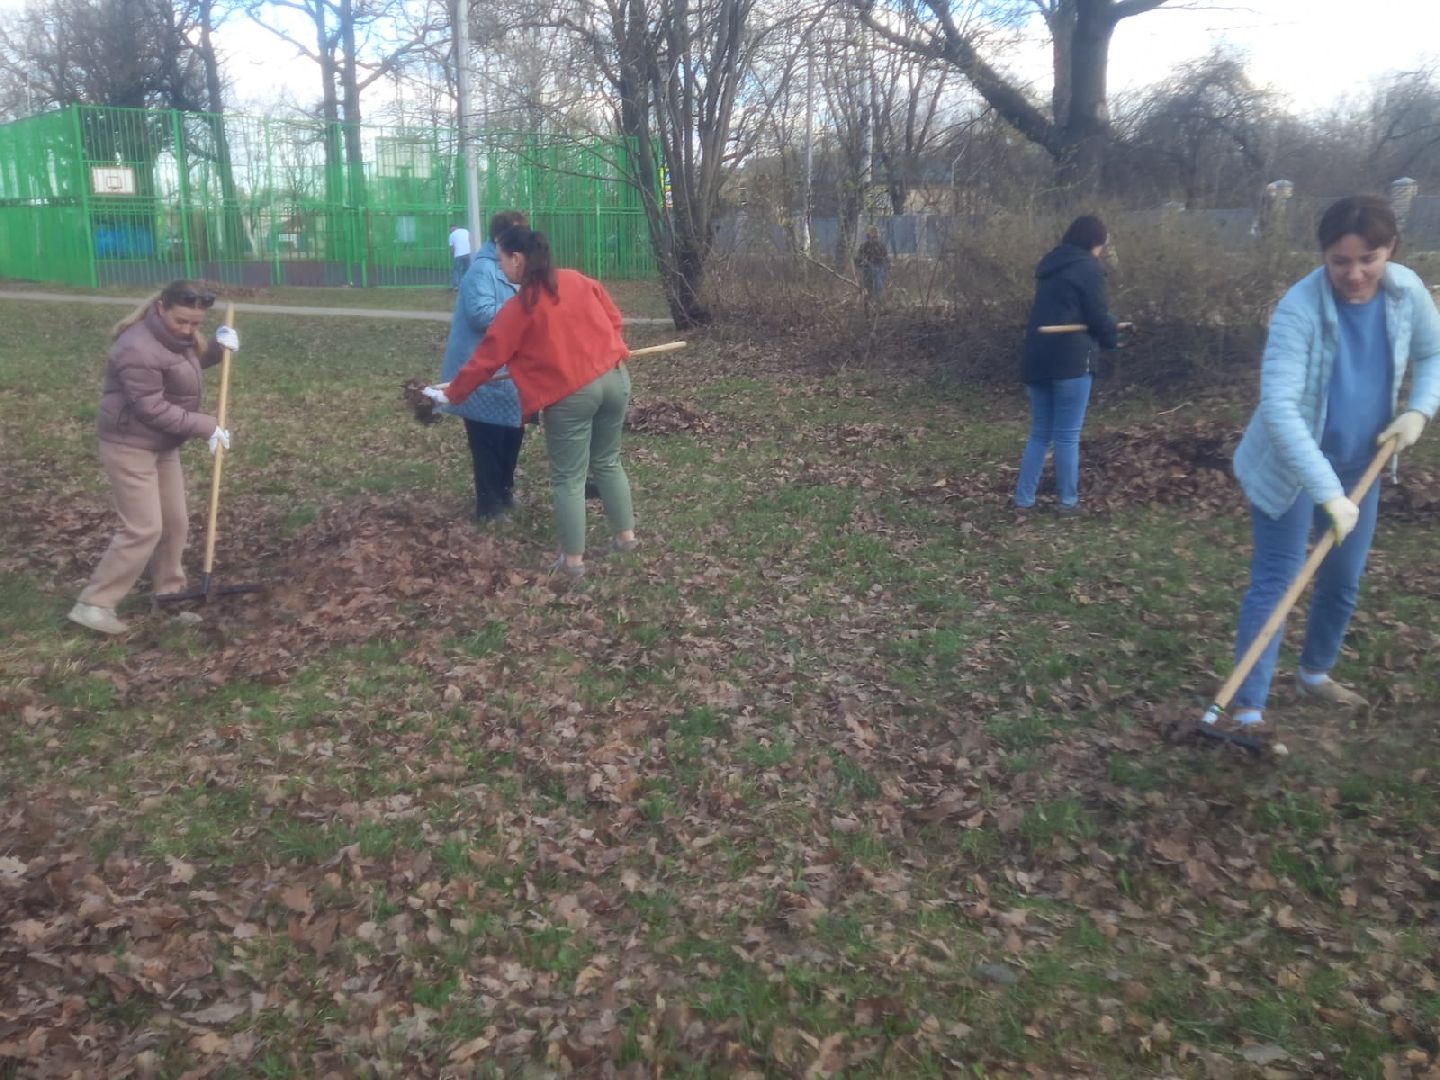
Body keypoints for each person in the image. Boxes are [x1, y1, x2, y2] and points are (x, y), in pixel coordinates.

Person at [1211, 194, 1440, 739]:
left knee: (1341, 579)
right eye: (1341, 262)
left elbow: (1433, 354)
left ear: (1390, 250)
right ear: (1323, 257)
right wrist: (1328, 494)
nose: (1356, 274)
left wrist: (1418, 410)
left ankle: (1314, 673)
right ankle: (1247, 709)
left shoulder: (1407, 291)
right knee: (1277, 579)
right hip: (1291, 467)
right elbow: (1280, 406)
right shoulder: (1300, 309)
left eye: (1369, 259)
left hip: (1364, 463)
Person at [427, 228, 637, 578]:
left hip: (572, 395)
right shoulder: (579, 280)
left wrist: (451, 394)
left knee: (568, 478)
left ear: (517, 259)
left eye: (500, 260)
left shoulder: (519, 307)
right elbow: (614, 319)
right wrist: (614, 346)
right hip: (615, 379)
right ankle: (626, 538)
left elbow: (486, 360)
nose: (499, 267)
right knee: (608, 461)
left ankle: (572, 562)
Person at [67, 281, 240, 636]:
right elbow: (151, 407)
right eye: (182, 322)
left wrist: (218, 351)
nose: (190, 330)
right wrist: (205, 425)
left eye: (196, 324)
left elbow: (181, 369)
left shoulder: (176, 339)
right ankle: (94, 604)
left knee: (175, 523)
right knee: (144, 527)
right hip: (128, 443)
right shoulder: (136, 348)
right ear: (161, 308)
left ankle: (169, 596)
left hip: (161, 444)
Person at [1013, 214, 1120, 516]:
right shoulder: (1089, 269)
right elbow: (1098, 318)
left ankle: (1023, 501)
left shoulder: (1049, 267)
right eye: (1102, 244)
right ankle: (1068, 503)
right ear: (1095, 241)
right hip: (1072, 361)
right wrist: (1113, 334)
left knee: (1039, 433)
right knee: (1067, 434)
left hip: (1038, 357)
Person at [439, 209, 529, 521]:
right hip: (478, 369)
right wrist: (519, 317)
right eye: (516, 234)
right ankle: (488, 506)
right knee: (487, 438)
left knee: (512, 434)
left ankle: (504, 492)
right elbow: (480, 315)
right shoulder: (482, 270)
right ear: (499, 238)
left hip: (507, 374)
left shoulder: (519, 267)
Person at [856, 225, 888, 306]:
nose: (875, 238)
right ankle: (869, 304)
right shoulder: (864, 246)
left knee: (877, 287)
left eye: (876, 236)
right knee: (868, 288)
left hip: (878, 269)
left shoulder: (881, 246)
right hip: (868, 270)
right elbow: (858, 260)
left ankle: (878, 304)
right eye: (873, 236)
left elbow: (885, 259)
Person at [448, 223, 472, 290]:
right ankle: (466, 284)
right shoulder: (465, 231)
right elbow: (470, 240)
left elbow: (452, 248)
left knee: (456, 270)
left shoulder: (451, 235)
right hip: (468, 252)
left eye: (450, 229)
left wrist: (453, 254)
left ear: (452, 228)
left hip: (458, 254)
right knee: (466, 269)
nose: (450, 230)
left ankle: (456, 286)